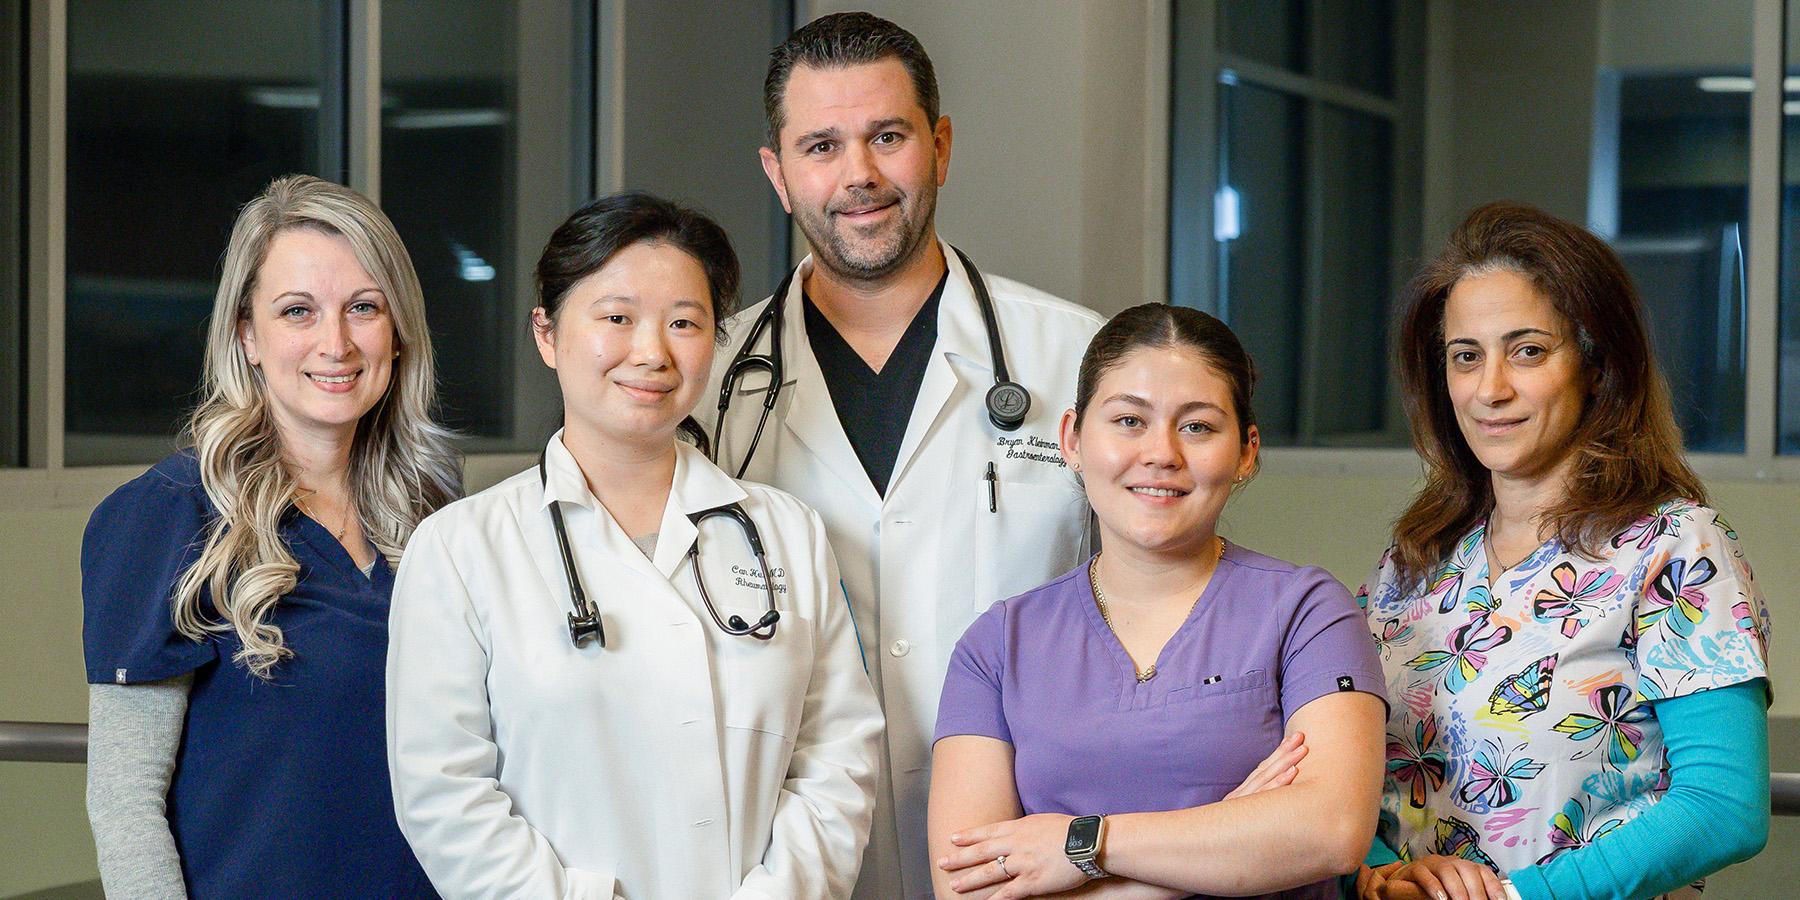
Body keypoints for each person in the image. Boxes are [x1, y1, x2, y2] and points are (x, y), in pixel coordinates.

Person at [695, 13, 1106, 896]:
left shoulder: (1081, 362)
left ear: (940, 145)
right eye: (821, 146)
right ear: (777, 172)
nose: (860, 177)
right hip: (784, 862)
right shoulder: (707, 383)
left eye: (888, 137)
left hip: (1034, 853)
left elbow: (1165, 610)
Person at [386, 191, 885, 898]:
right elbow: (444, 796)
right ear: (547, 334)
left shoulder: (787, 534)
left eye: (685, 322)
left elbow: (837, 755)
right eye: (616, 318)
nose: (651, 351)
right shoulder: (461, 550)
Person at [1355, 203, 1772, 900]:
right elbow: (1341, 766)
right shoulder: (1413, 563)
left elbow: (1724, 808)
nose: (1491, 389)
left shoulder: (1674, 552)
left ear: (1597, 366)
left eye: (1528, 351)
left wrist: (1521, 898)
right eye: (1466, 356)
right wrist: (1377, 869)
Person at [81, 174, 460, 898]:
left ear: (398, 330)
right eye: (298, 311)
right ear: (247, 335)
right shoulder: (167, 516)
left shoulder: (437, 515)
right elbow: (125, 804)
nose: (336, 342)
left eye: (363, 308)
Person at [928, 303, 1387, 900]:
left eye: (1197, 426)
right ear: (1071, 438)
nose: (1161, 453)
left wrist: (1083, 846)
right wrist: (1225, 834)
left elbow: (1331, 831)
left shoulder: (1308, 613)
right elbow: (968, 890)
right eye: (1128, 421)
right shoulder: (997, 645)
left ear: (1246, 451)